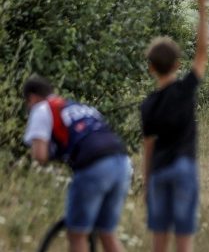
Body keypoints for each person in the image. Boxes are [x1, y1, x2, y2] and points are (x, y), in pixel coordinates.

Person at [22, 76, 130, 252]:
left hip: (94, 165)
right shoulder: (79, 107)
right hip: (122, 162)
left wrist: (58, 154)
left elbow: (40, 155)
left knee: (77, 234)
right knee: (107, 232)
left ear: (32, 98)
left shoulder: (41, 109)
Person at [140, 0, 209, 252]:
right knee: (184, 240)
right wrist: (202, 7)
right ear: (178, 65)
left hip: (158, 171)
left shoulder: (147, 105)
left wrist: (147, 185)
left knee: (159, 241)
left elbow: (148, 147)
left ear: (151, 68)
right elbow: (202, 53)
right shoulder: (184, 90)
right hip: (183, 168)